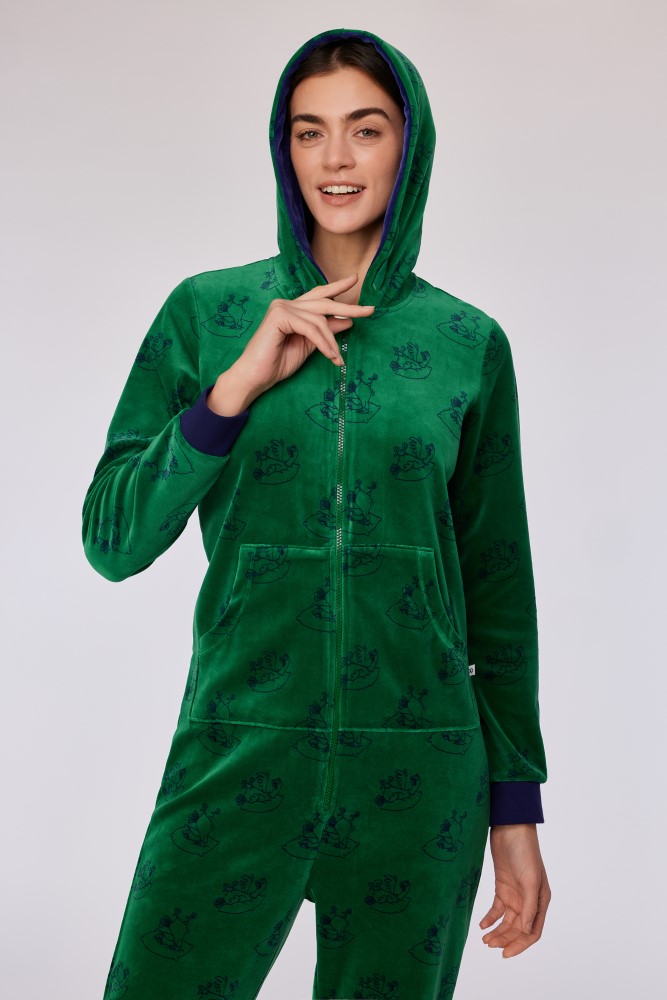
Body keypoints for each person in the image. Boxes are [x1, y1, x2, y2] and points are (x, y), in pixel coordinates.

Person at [82, 26, 551, 1000]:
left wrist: (514, 807)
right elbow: (112, 540)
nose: (336, 158)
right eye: (309, 131)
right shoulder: (206, 314)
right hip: (238, 745)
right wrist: (233, 391)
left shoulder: (467, 343)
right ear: (281, 147)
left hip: (419, 771)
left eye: (365, 129)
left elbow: (498, 587)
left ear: (409, 146)